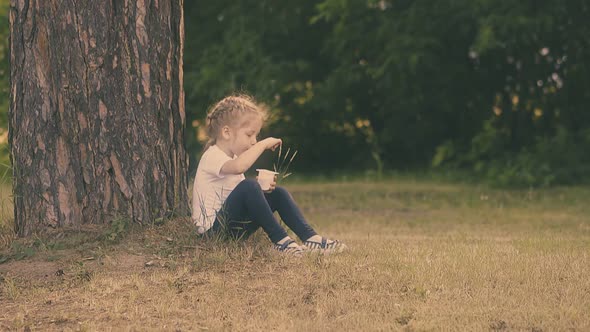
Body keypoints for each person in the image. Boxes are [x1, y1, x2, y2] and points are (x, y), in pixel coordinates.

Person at [191, 94, 346, 255]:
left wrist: (261, 193)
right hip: (212, 234)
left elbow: (240, 196)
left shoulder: (234, 158)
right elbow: (240, 167)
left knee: (278, 193)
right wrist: (264, 144)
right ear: (226, 132)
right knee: (250, 185)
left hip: (234, 230)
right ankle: (281, 242)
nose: (254, 141)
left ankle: (311, 238)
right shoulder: (212, 156)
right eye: (250, 134)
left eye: (257, 136)